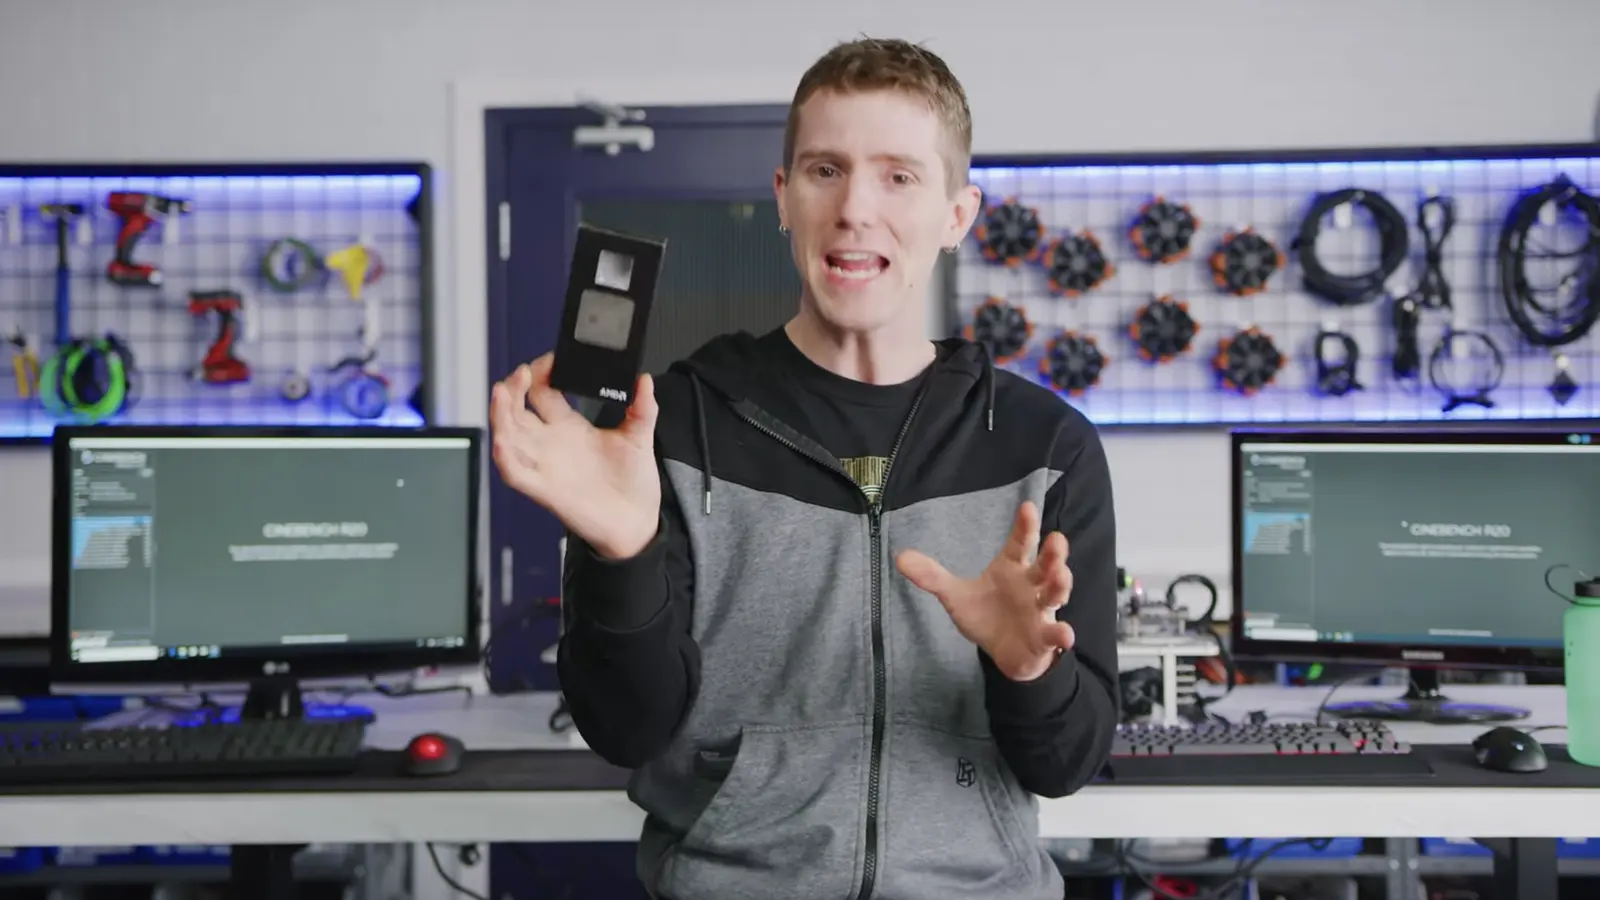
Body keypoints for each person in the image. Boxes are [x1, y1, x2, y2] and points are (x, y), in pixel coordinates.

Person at [490, 36, 1118, 900]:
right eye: (826, 170)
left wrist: (1026, 670)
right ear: (784, 200)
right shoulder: (667, 428)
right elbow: (626, 731)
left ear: (957, 214)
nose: (856, 207)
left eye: (899, 175)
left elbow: (1069, 763)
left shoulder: (1046, 447)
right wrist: (623, 554)